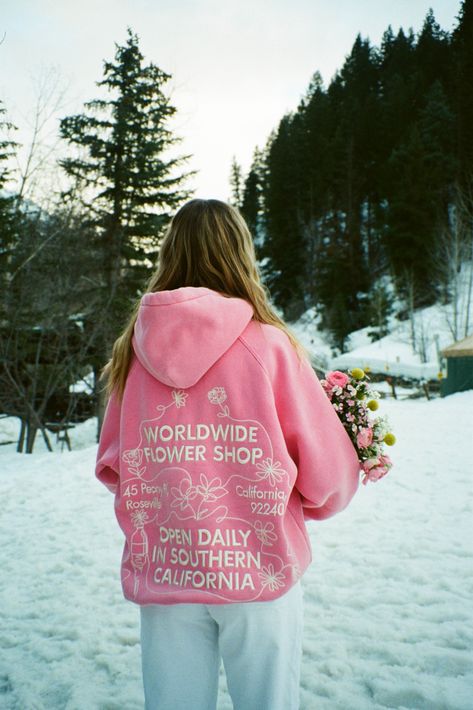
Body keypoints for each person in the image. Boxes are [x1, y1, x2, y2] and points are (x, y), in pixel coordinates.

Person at [95, 198, 361, 710]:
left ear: (170, 254)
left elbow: (113, 463)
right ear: (239, 253)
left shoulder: (134, 349)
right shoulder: (269, 345)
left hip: (167, 572)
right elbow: (327, 475)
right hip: (258, 571)